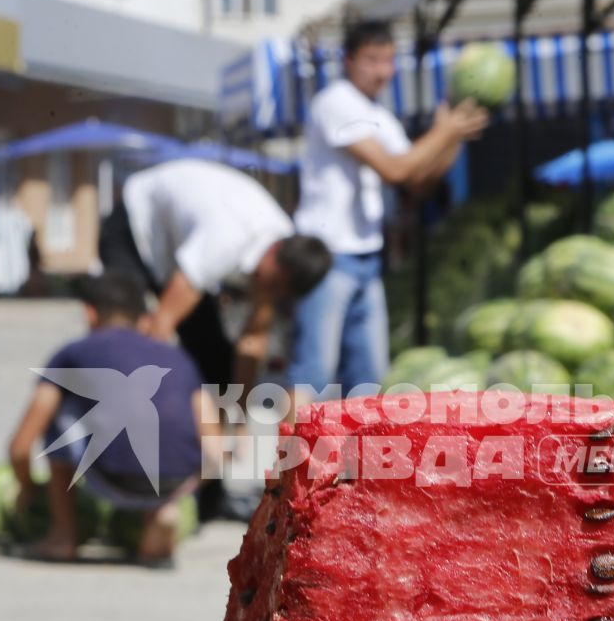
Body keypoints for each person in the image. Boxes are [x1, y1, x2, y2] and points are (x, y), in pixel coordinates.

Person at [289, 19, 488, 396]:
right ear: (348, 61)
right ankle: (292, 455)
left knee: (367, 380)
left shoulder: (380, 116)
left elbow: (419, 179)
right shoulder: (336, 102)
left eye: (389, 61)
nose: (383, 71)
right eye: (372, 60)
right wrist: (443, 132)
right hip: (326, 257)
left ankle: (357, 456)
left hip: (366, 257)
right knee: (313, 375)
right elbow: (395, 170)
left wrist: (454, 138)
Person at [7, 272, 219, 567]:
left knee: (60, 411)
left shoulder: (73, 353)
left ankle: (62, 536)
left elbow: (21, 445)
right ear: (145, 320)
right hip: (177, 482)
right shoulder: (180, 358)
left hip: (112, 481)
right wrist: (184, 488)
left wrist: (28, 490)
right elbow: (215, 451)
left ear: (89, 313)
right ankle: (162, 512)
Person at [101, 158, 332, 392]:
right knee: (125, 335)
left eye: (280, 293)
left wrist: (240, 422)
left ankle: (214, 426)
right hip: (133, 226)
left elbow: (252, 340)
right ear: (274, 252)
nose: (270, 294)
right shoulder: (225, 241)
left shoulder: (284, 252)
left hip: (177, 249)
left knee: (216, 361)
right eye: (274, 285)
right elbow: (163, 323)